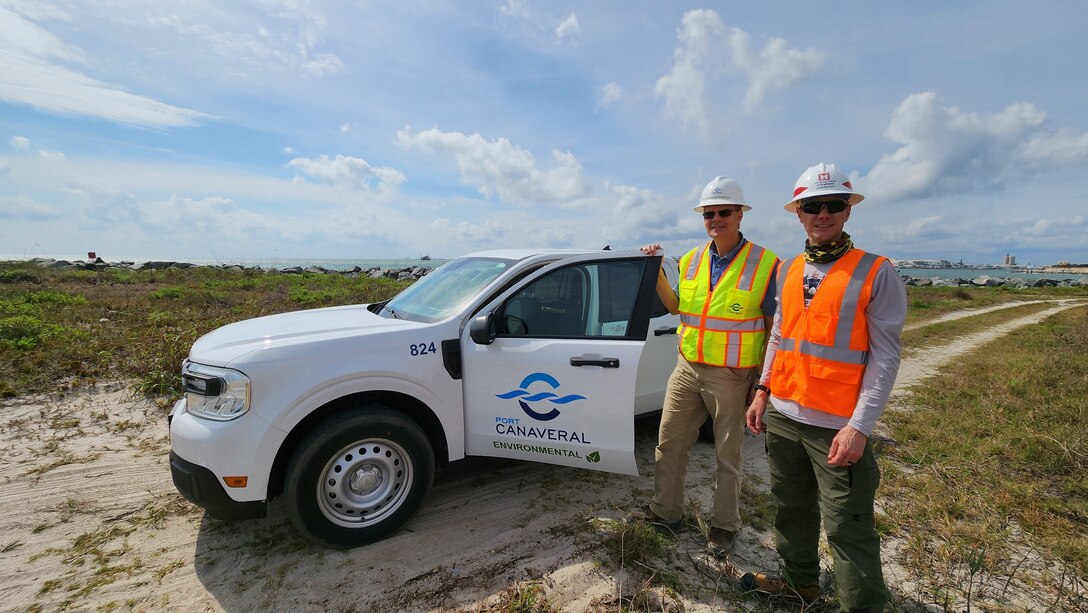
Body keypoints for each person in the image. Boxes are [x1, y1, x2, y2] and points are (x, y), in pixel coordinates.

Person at [743, 163, 907, 611]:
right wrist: (762, 391)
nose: (822, 214)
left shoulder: (876, 272)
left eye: (833, 205)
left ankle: (862, 605)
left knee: (847, 526)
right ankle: (801, 587)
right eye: (812, 206)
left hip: (836, 426)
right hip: (784, 415)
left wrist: (859, 426)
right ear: (799, 213)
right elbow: (780, 335)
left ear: (847, 212)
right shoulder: (789, 269)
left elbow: (886, 357)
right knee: (791, 510)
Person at [632, 176, 779, 558]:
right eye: (709, 213)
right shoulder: (693, 259)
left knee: (727, 456)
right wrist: (655, 270)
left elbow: (774, 329)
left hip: (731, 375)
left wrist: (760, 384)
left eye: (724, 212)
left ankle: (724, 527)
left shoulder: (766, 263)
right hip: (686, 368)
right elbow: (676, 307)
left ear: (740, 215)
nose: (716, 219)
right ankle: (666, 514)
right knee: (669, 445)